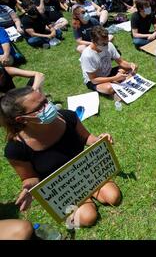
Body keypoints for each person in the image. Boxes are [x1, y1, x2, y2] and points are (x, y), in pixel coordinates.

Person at [0, 87, 122, 228]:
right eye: (39, 107)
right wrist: (29, 188)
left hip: (85, 171)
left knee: (113, 197)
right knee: (87, 218)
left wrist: (100, 140)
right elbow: (29, 177)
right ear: (22, 119)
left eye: (45, 101)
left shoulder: (67, 116)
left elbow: (86, 137)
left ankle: (87, 195)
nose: (48, 107)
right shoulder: (15, 149)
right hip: (61, 187)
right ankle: (80, 202)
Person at [80, 26, 137, 97]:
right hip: (95, 80)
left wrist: (130, 65)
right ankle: (119, 81)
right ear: (93, 41)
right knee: (109, 88)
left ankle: (118, 81)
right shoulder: (87, 55)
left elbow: (121, 62)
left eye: (107, 42)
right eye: (103, 44)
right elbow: (94, 80)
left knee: (132, 67)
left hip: (108, 72)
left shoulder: (109, 45)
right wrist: (115, 78)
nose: (106, 45)